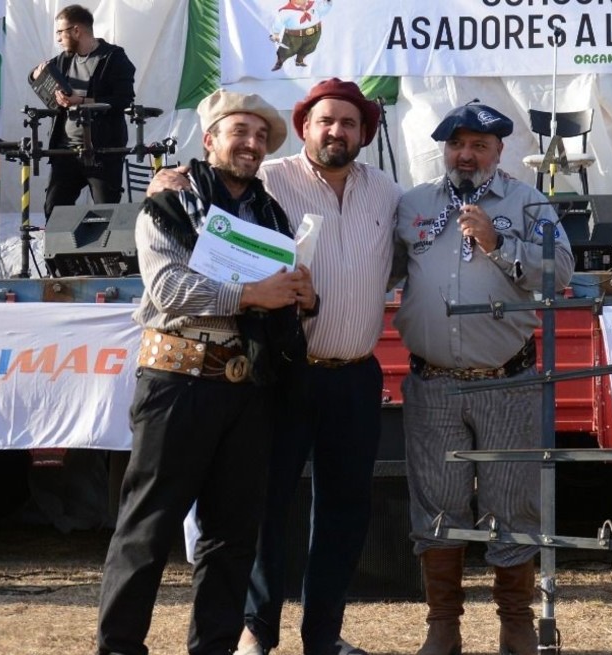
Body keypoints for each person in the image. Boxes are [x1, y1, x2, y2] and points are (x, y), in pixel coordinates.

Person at [95, 90, 311, 655]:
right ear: (209, 138)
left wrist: (297, 294)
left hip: (246, 388)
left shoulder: (271, 215)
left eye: (262, 136)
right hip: (177, 380)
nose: (252, 143)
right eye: (239, 131)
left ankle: (214, 648)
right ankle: (117, 648)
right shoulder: (166, 202)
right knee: (148, 528)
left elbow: (276, 298)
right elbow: (168, 289)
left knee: (232, 538)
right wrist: (253, 294)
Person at [389, 101, 574, 655]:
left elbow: (561, 273)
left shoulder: (529, 202)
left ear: (499, 152)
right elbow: (382, 267)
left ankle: (515, 620)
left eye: (478, 146)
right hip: (434, 383)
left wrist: (499, 244)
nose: (465, 155)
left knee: (512, 500)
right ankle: (442, 623)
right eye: (456, 144)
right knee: (439, 501)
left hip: (507, 382)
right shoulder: (414, 204)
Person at [237, 78, 403, 655]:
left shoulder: (387, 191)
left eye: (349, 123)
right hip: (284, 371)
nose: (337, 131)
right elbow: (211, 186)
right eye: (326, 120)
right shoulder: (268, 178)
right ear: (305, 126)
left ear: (364, 133)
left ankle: (323, 635)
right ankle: (256, 629)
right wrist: (172, 177)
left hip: (356, 374)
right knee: (268, 504)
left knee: (345, 509)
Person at [28, 4, 135, 221]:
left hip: (102, 152)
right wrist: (37, 74)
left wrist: (82, 101)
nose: (58, 39)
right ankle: (60, 256)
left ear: (77, 31)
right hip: (65, 152)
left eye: (61, 32)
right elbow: (34, 76)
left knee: (107, 215)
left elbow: (123, 99)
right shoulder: (64, 59)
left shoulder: (113, 57)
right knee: (54, 212)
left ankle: (106, 256)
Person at [271, 0, 333, 71]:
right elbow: (278, 23)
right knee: (287, 50)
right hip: (294, 37)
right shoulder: (286, 11)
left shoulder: (313, 4)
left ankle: (299, 60)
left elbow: (322, 11)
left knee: (309, 48)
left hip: (314, 33)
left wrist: (327, 3)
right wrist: (276, 34)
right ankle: (280, 61)